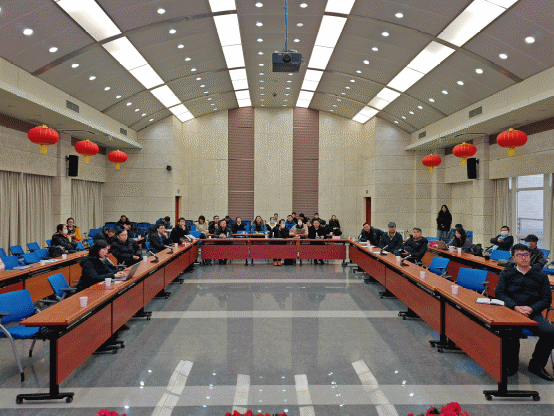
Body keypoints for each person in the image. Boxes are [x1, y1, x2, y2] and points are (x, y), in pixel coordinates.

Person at [495, 244, 554, 381]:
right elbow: (500, 293)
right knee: (509, 331)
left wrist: (532, 308)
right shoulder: (506, 273)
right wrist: (515, 306)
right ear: (514, 258)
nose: (523, 258)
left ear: (530, 256)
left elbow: (547, 299)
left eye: (526, 255)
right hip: (512, 311)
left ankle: (536, 365)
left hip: (532, 312)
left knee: (550, 332)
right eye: (520, 255)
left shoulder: (540, 275)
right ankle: (511, 365)